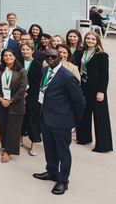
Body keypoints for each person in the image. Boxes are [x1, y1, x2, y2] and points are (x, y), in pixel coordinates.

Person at [33, 48, 86, 195]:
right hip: (46, 117)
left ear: (60, 58)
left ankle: (63, 181)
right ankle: (51, 171)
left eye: (54, 57)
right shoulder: (44, 71)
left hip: (61, 120)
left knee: (63, 152)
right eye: (47, 56)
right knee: (49, 147)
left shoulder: (67, 76)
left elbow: (80, 101)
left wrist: (74, 119)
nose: (50, 59)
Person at [75, 32, 112, 152]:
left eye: (93, 39)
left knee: (100, 116)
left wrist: (102, 91)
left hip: (96, 88)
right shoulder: (81, 52)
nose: (90, 41)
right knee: (84, 113)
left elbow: (104, 76)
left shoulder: (102, 55)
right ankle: (84, 138)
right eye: (88, 39)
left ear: (97, 41)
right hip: (84, 86)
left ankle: (102, 145)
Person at [0, 48, 28, 163]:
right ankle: (5, 147)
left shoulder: (21, 71)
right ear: (2, 57)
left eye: (10, 55)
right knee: (3, 126)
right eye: (5, 55)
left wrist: (11, 100)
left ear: (14, 57)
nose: (8, 57)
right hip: (2, 102)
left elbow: (22, 89)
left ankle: (8, 152)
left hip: (15, 104)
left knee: (13, 129)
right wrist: (0, 98)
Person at [21, 42, 43, 157]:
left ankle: (33, 142)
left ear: (32, 51)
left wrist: (26, 93)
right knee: (20, 117)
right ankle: (20, 138)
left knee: (32, 118)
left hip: (32, 94)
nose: (25, 52)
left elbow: (36, 83)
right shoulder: (18, 62)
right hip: (19, 93)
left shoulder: (37, 64)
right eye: (23, 49)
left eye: (27, 50)